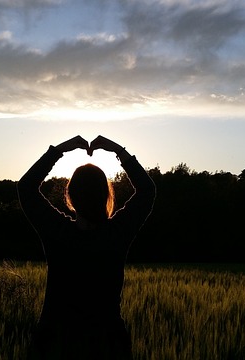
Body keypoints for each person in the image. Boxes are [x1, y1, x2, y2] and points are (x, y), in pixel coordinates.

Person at [17, 135, 156, 360]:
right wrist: (118, 151)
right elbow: (147, 191)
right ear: (106, 195)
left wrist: (59, 150)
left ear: (70, 196)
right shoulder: (116, 234)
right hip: (109, 341)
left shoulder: (58, 232)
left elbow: (26, 188)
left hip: (55, 340)